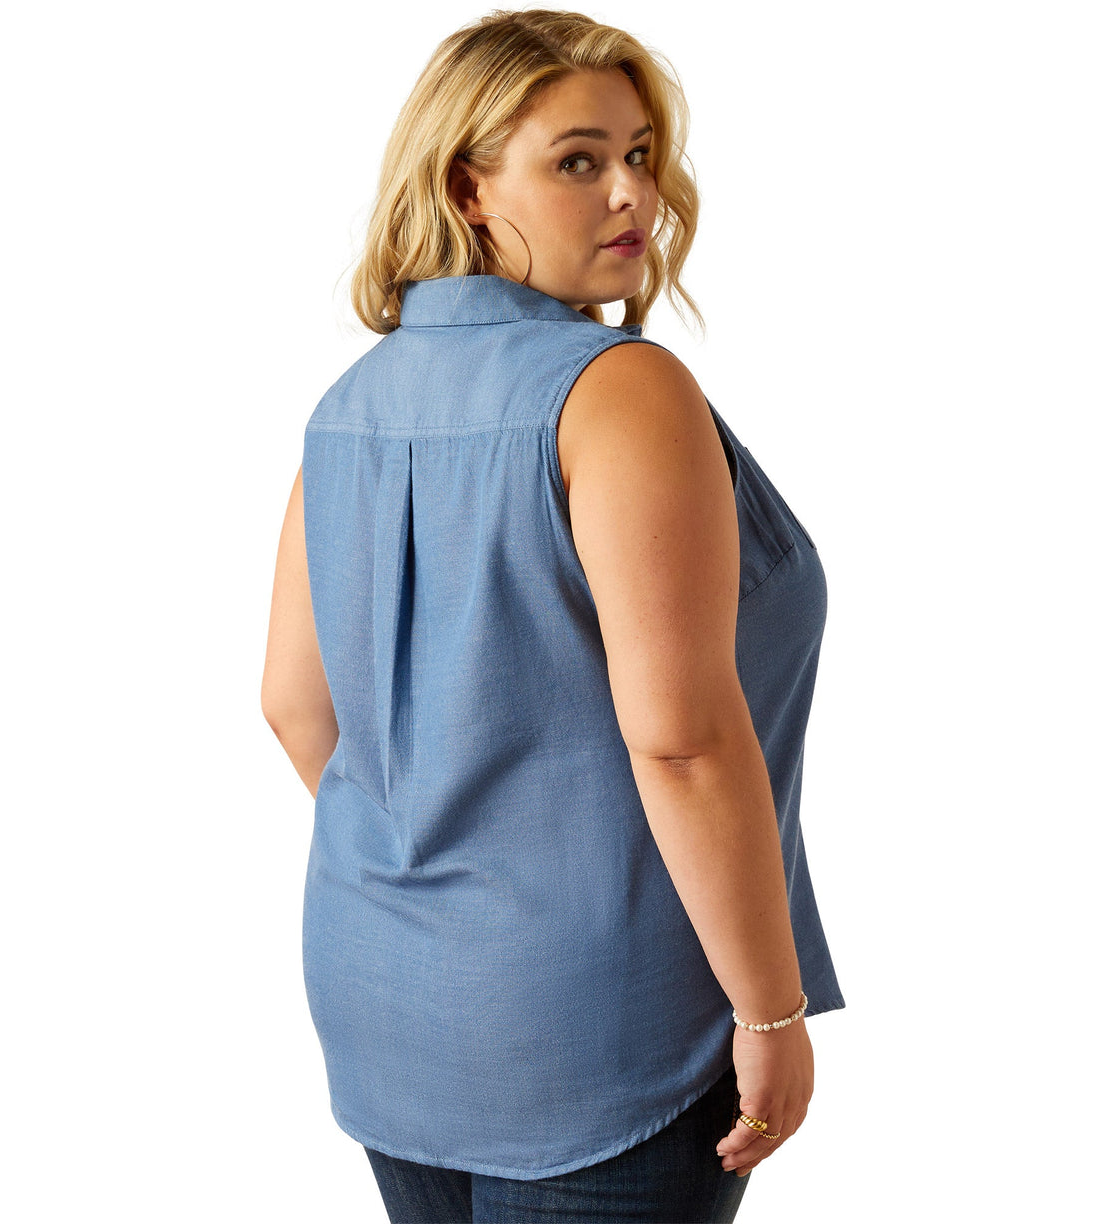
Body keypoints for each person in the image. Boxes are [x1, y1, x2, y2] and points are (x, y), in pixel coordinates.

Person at [261, 9, 844, 1222]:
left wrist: (454, 864)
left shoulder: (351, 405)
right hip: (598, 1027)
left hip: (386, 990)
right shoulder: (619, 389)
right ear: (468, 187)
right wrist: (771, 1011)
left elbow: (296, 706)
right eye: (578, 161)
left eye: (640, 153)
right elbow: (680, 740)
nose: (632, 193)